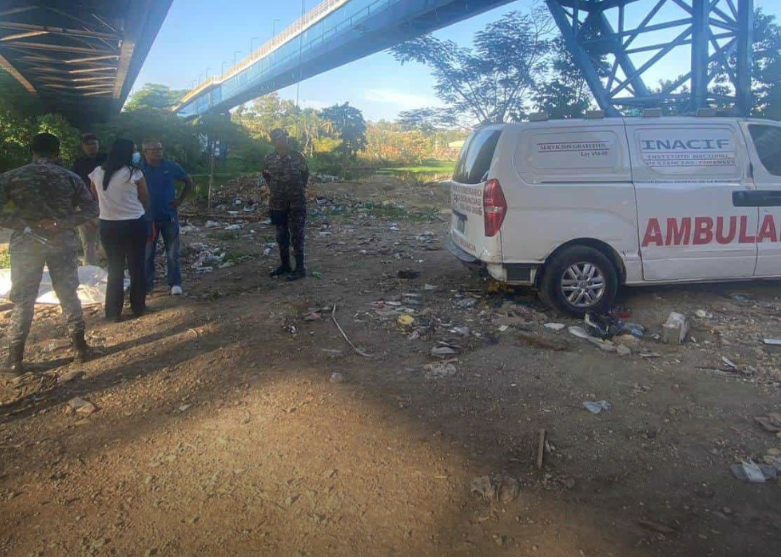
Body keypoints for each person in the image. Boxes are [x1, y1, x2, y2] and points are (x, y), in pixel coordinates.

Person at [0, 133, 99, 379]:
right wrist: (61, 223)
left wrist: (23, 225)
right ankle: (80, 348)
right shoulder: (70, 178)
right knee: (68, 294)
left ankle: (14, 360)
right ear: (57, 153)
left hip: (26, 244)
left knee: (24, 300)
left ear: (31, 151)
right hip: (61, 242)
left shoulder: (12, 177)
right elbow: (91, 209)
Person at [88, 139, 149, 321]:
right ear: (128, 153)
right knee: (136, 267)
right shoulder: (134, 173)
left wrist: (110, 207)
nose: (136, 154)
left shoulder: (97, 173)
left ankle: (113, 313)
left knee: (115, 269)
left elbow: (95, 196)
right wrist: (134, 209)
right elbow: (144, 197)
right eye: (134, 151)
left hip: (108, 225)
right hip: (134, 224)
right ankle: (138, 307)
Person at [141, 141, 194, 296]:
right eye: (154, 150)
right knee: (148, 253)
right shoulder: (139, 169)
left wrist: (180, 200)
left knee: (172, 252)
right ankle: (147, 284)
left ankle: (175, 282)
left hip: (168, 216)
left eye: (160, 149)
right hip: (148, 217)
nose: (158, 152)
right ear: (145, 151)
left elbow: (188, 182)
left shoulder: (170, 166)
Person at [262, 128, 309, 281]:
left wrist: (296, 190)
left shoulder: (298, 157)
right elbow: (266, 176)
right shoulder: (268, 159)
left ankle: (300, 268)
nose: (283, 140)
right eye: (280, 138)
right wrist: (277, 189)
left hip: (296, 202)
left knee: (297, 234)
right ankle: (285, 265)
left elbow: (305, 176)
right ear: (274, 141)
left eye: (285, 138)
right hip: (277, 203)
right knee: (281, 235)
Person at [72, 133, 107, 266]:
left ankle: (107, 268)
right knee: (88, 241)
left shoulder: (106, 160)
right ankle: (90, 268)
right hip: (85, 205)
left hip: (105, 204)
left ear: (98, 145)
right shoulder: (78, 163)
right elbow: (74, 184)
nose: (91, 147)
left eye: (94, 144)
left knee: (106, 238)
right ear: (83, 147)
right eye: (88, 144)